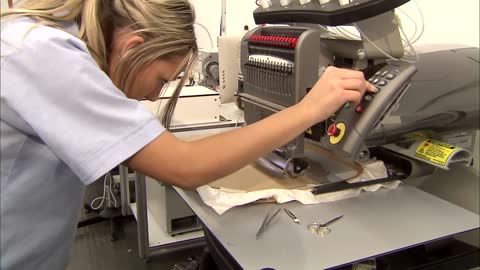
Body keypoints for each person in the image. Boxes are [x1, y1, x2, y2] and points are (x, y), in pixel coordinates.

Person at [0, 0, 375, 269]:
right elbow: (185, 165)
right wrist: (310, 109)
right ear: (134, 49)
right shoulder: (45, 54)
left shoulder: (36, 41)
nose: (152, 95)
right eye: (163, 79)